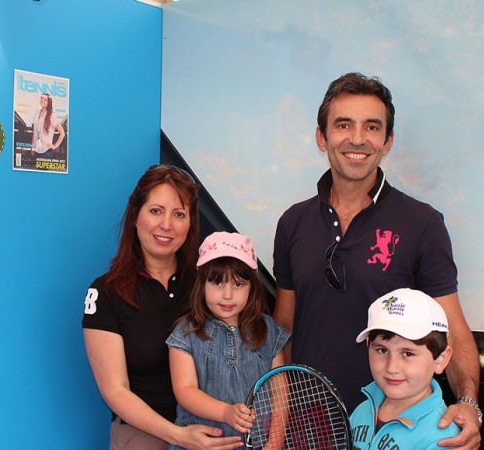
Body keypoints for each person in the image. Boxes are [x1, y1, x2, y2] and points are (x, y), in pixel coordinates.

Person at [272, 72, 481, 449]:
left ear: (387, 142)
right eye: (343, 125)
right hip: (306, 429)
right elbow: (281, 331)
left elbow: (454, 330)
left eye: (372, 127)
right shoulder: (292, 223)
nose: (357, 139)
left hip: (390, 432)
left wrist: (468, 403)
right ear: (322, 137)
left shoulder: (423, 223)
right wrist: (278, 426)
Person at [82, 165, 243, 450]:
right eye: (156, 211)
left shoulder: (209, 284)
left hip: (215, 432)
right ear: (135, 216)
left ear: (191, 223)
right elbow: (115, 390)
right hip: (145, 434)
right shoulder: (105, 292)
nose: (166, 225)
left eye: (179, 214)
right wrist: (178, 436)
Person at [167, 231, 290, 449]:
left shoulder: (269, 331)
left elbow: (280, 394)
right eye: (217, 283)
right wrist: (225, 412)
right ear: (201, 284)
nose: (227, 295)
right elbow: (184, 390)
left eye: (238, 284)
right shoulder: (186, 332)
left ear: (251, 287)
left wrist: (276, 442)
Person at [350, 288, 461, 449]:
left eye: (408, 353)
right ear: (368, 345)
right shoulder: (363, 409)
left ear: (440, 360)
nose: (392, 367)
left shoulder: (443, 438)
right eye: (382, 350)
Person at [31, 92, 65, 159]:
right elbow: (35, 132)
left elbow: (62, 133)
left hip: (47, 152)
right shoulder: (37, 114)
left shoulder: (52, 116)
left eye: (45, 100)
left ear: (49, 103)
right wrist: (33, 147)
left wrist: (55, 146)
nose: (43, 100)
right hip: (37, 150)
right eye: (42, 98)